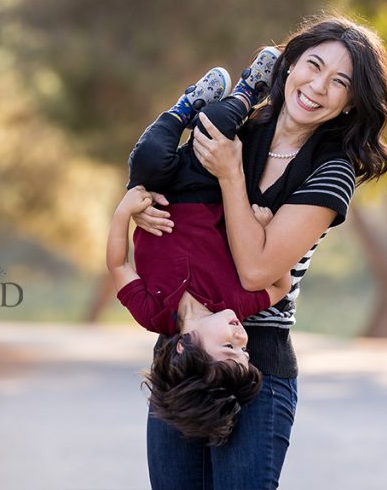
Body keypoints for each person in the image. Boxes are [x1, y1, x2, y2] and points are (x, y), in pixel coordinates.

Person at [133, 15, 387, 489]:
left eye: (339, 83)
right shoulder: (239, 126)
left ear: (351, 103)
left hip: (260, 363)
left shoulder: (332, 172)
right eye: (312, 65)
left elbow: (257, 272)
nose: (318, 87)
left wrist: (232, 176)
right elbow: (169, 190)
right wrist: (143, 208)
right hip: (185, 354)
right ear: (289, 63)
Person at [106, 48, 290, 445]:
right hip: (209, 193)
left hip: (158, 196)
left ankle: (184, 106)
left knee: (150, 156)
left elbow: (119, 266)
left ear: (183, 350)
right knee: (217, 126)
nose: (243, 339)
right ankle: (249, 89)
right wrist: (264, 229)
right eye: (245, 350)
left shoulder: (154, 314)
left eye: (229, 347)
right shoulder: (235, 303)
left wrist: (123, 212)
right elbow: (279, 288)